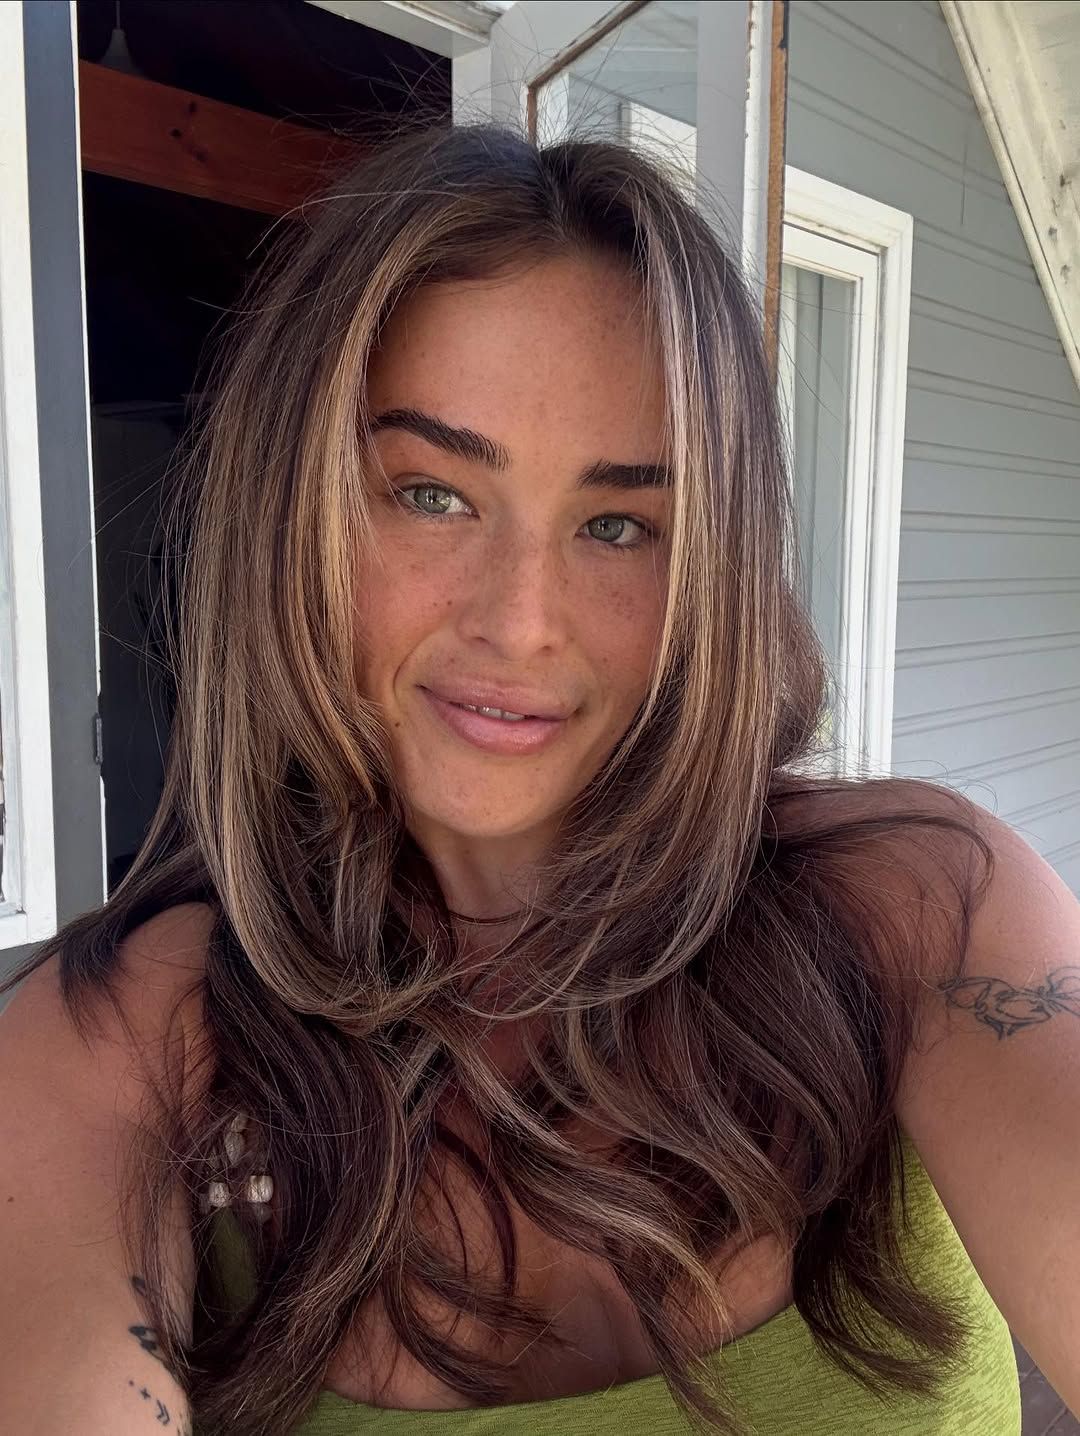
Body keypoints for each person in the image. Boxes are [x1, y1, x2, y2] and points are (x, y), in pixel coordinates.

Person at [1, 123, 1076, 1436]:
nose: (519, 622)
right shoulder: (117, 1039)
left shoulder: (924, 906)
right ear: (294, 510)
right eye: (430, 494)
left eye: (618, 525)